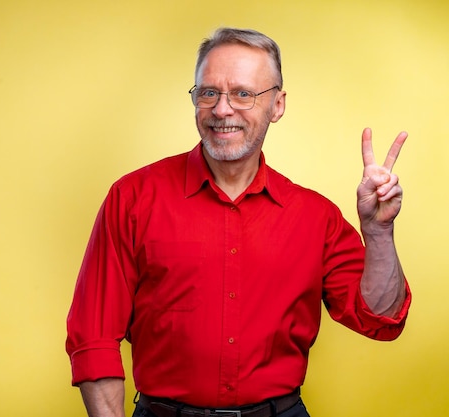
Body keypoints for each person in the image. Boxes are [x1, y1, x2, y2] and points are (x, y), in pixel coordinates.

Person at [66, 27, 411, 417]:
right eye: (208, 92)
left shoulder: (316, 217)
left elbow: (380, 318)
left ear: (277, 105)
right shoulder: (132, 198)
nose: (222, 109)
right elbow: (94, 337)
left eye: (243, 94)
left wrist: (379, 233)